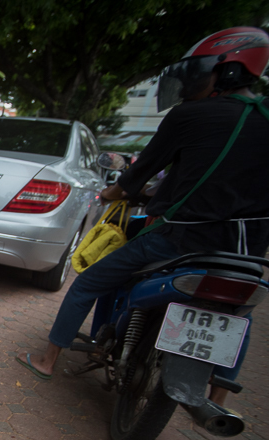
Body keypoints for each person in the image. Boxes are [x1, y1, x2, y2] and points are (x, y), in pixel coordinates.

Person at [16, 26, 269, 411]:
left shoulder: (193, 115)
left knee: (89, 283)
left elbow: (137, 178)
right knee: (240, 311)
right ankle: (219, 395)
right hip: (247, 254)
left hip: (179, 240)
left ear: (228, 71)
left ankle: (48, 360)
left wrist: (112, 192)